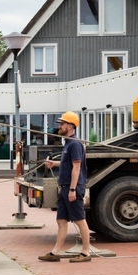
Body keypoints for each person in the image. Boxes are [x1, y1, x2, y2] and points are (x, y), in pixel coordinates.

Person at [38, 111, 92, 263]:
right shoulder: (68, 144)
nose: (59, 126)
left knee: (80, 220)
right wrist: (54, 164)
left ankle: (86, 253)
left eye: (62, 124)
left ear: (70, 126)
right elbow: (69, 164)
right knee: (61, 220)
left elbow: (76, 167)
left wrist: (73, 190)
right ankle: (55, 253)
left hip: (71, 188)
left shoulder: (75, 144)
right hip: (65, 187)